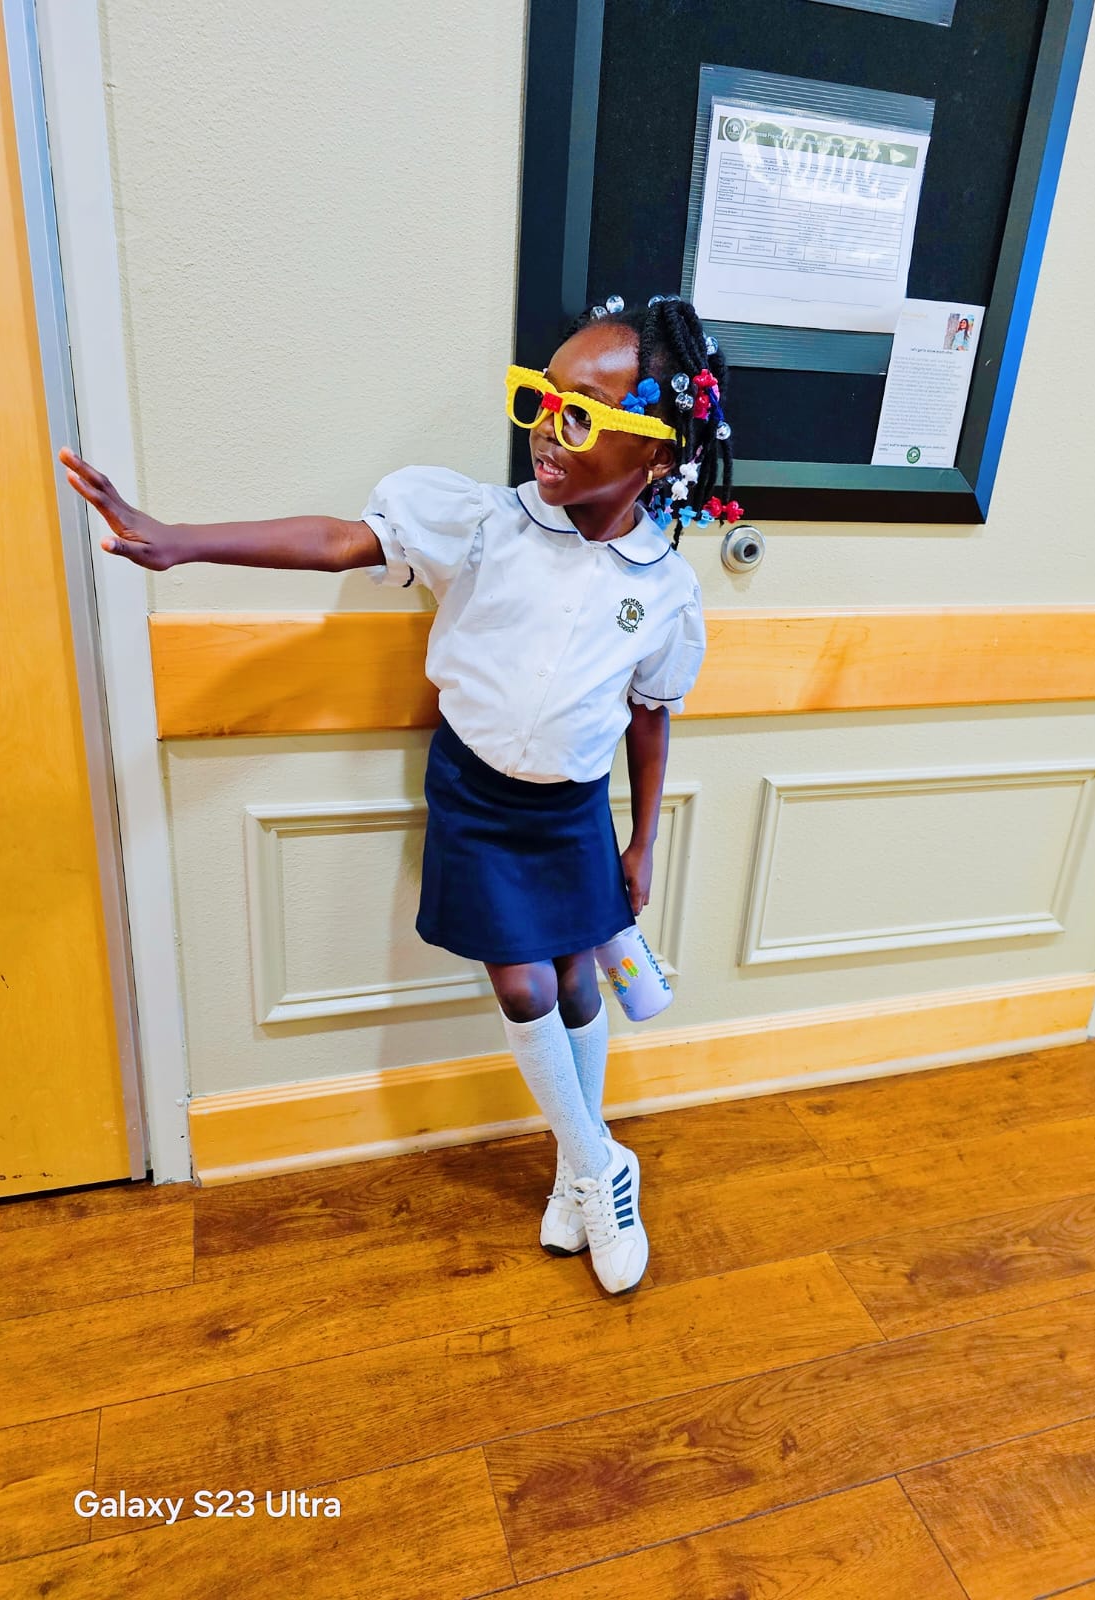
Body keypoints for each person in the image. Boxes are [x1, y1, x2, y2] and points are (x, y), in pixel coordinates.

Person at [60, 293, 742, 1296]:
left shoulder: (664, 586)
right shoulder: (487, 525)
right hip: (478, 799)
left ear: (653, 449)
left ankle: (574, 1173)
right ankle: (603, 1167)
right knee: (524, 987)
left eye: (581, 413)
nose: (548, 428)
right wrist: (182, 540)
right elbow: (342, 540)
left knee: (578, 983)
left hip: (573, 814)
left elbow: (649, 717)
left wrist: (639, 843)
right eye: (540, 398)